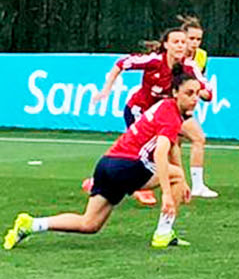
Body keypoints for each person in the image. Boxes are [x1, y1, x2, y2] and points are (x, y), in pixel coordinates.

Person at [8, 76, 202, 250]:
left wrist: (177, 176)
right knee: (175, 175)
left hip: (107, 163)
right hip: (129, 165)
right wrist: (168, 194)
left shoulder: (164, 106)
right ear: (175, 93)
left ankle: (32, 224)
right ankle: (163, 234)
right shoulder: (171, 117)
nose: (194, 98)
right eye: (189, 93)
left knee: (89, 224)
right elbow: (161, 151)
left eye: (197, 93)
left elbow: (171, 146)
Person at [90, 28, 211, 206]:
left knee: (179, 143)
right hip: (139, 110)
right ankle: (141, 187)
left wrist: (203, 93)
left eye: (183, 42)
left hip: (163, 114)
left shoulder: (189, 66)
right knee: (145, 151)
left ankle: (184, 183)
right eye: (176, 42)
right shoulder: (154, 60)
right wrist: (106, 89)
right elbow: (121, 63)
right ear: (166, 45)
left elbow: (207, 90)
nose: (181, 46)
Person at [178, 16, 218, 199]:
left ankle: (189, 185)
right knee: (196, 138)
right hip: (168, 105)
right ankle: (193, 185)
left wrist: (199, 92)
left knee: (181, 142)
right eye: (191, 39)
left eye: (198, 39)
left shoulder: (201, 56)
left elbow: (199, 79)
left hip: (183, 107)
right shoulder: (176, 55)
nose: (194, 43)